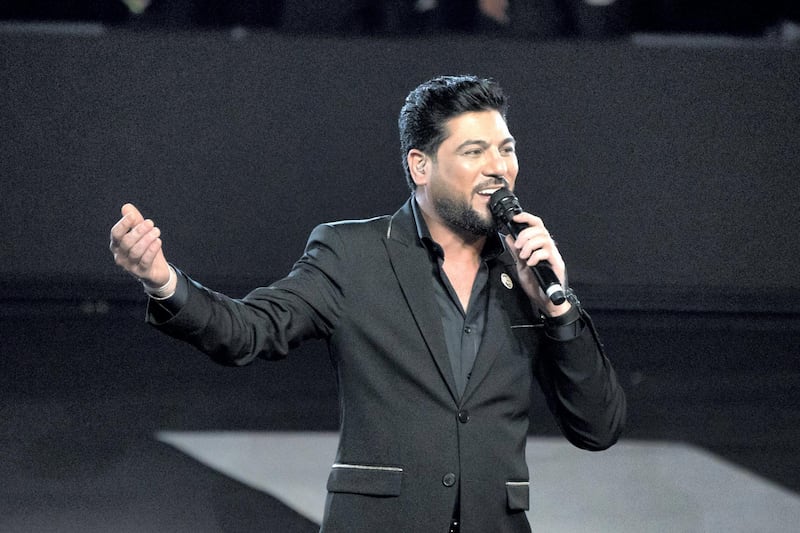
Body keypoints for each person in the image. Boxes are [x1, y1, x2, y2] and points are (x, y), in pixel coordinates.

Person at [109, 75, 626, 533]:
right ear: (420, 166)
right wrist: (162, 279)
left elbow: (598, 428)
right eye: (474, 152)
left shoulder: (526, 275)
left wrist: (558, 310)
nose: (499, 169)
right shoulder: (351, 254)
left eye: (506, 149)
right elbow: (248, 330)